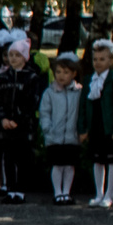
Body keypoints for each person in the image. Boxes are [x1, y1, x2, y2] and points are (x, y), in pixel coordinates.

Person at [78, 39, 113, 209]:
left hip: (110, 127)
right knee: (97, 160)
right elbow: (83, 105)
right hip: (95, 126)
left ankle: (109, 194)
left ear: (111, 60)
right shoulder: (89, 80)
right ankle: (98, 193)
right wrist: (83, 128)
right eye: (95, 59)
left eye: (102, 59)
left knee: (112, 160)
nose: (98, 63)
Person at [0, 36, 42, 204]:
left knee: (22, 159)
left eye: (17, 55)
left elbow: (32, 102)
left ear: (25, 57)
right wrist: (3, 118)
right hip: (6, 126)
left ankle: (20, 191)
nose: (13, 58)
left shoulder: (32, 78)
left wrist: (18, 119)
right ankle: (11, 189)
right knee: (8, 159)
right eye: (10, 55)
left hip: (23, 126)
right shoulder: (3, 77)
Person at [37, 51, 84, 204]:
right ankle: (57, 192)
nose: (61, 76)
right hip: (54, 136)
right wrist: (47, 129)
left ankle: (66, 192)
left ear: (74, 73)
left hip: (72, 136)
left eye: (66, 72)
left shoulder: (79, 92)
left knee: (69, 166)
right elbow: (45, 112)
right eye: (58, 72)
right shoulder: (50, 92)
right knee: (57, 165)